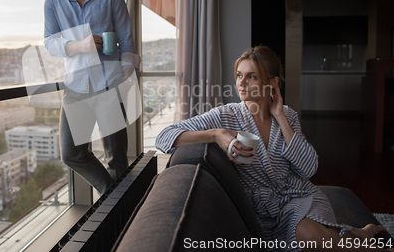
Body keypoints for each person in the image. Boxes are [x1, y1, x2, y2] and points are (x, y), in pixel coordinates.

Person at [156, 46, 389, 251]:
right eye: (239, 75)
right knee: (310, 236)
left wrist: (280, 117)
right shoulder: (226, 116)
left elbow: (308, 169)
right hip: (266, 213)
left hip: (302, 197)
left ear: (273, 82)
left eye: (252, 77)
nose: (241, 83)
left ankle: (364, 238)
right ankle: (360, 234)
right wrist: (217, 134)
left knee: (308, 234)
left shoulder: (287, 115)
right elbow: (164, 137)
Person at [44, 0, 140, 195]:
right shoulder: (53, 2)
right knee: (72, 154)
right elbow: (50, 43)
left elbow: (128, 46)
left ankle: (120, 215)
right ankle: (116, 198)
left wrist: (127, 79)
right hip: (76, 88)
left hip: (110, 86)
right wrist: (80, 46)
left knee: (117, 161)